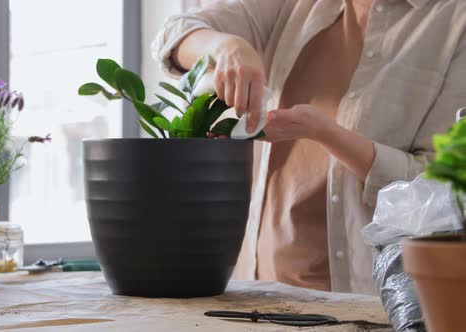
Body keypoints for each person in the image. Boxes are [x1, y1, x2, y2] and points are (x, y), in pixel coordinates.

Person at [152, 0, 466, 294]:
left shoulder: (454, 19)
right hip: (259, 292)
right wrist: (226, 47)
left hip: (366, 299)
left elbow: (440, 189)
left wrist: (323, 132)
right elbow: (174, 33)